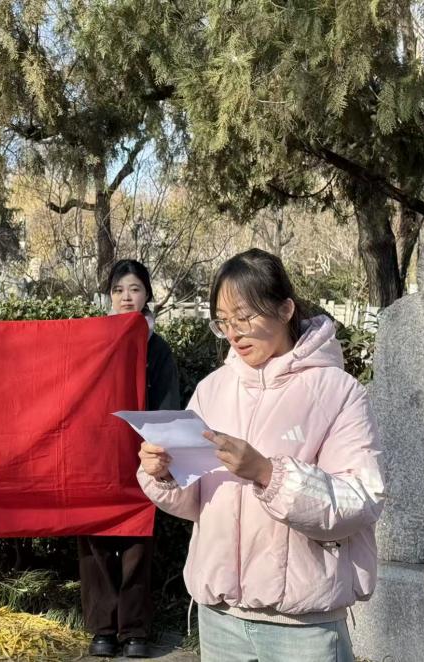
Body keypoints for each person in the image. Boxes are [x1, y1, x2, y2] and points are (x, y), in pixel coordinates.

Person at [138, 248, 384, 662]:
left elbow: (361, 499)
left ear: (285, 309)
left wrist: (268, 474)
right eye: (223, 321)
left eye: (244, 317)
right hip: (219, 619)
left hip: (303, 628)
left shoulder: (338, 392)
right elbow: (197, 502)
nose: (233, 333)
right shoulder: (213, 389)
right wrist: (164, 472)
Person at [79, 259, 180, 658]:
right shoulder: (91, 342)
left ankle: (135, 631)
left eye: (135, 289)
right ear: (109, 296)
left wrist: (160, 448)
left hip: (142, 454)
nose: (126, 297)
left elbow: (168, 405)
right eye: (119, 290)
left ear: (147, 295)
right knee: (95, 541)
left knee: (138, 544)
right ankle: (102, 629)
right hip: (97, 454)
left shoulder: (158, 348)